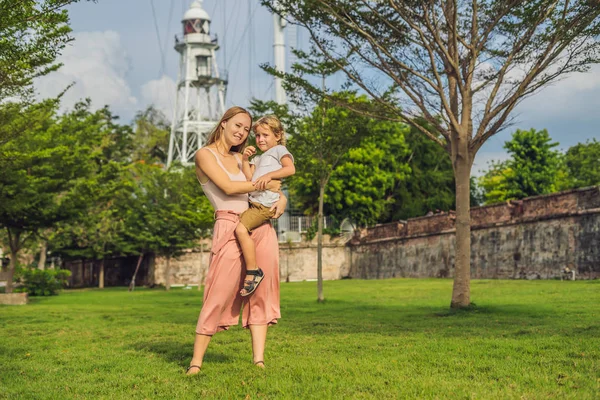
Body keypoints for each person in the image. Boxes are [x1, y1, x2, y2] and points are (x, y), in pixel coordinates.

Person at [187, 106, 286, 375]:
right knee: (217, 293)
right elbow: (230, 188)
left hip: (259, 223)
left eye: (246, 129)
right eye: (238, 126)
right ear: (223, 123)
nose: (242, 132)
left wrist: (283, 198)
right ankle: (196, 362)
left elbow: (270, 188)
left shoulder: (243, 160)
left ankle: (259, 360)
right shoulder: (204, 155)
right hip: (229, 225)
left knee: (261, 292)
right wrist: (265, 185)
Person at [236, 115, 295, 297]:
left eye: (265, 135)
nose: (261, 139)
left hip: (263, 205)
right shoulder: (260, 158)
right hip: (254, 202)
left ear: (277, 135)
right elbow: (249, 178)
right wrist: (245, 160)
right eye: (258, 135)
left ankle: (254, 271)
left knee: (240, 229)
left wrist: (269, 176)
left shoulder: (279, 150)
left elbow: (290, 169)